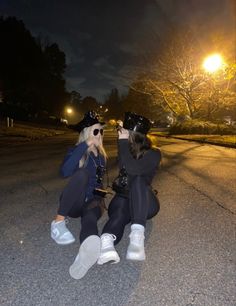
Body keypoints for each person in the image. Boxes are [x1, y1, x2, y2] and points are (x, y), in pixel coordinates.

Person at [97, 112, 161, 265]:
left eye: (123, 131)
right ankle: (106, 245)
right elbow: (126, 168)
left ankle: (137, 236)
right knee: (118, 214)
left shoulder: (154, 153)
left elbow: (133, 170)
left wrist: (122, 141)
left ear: (133, 134)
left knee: (138, 180)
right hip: (124, 198)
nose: (120, 133)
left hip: (145, 203)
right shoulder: (127, 150)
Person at [50, 110, 107, 279]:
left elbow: (98, 182)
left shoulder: (102, 156)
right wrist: (84, 146)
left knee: (90, 219)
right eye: (95, 131)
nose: (99, 135)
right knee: (82, 174)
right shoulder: (76, 151)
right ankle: (58, 223)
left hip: (92, 201)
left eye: (101, 131)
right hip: (74, 203)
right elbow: (65, 172)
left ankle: (86, 251)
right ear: (86, 133)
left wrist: (100, 195)